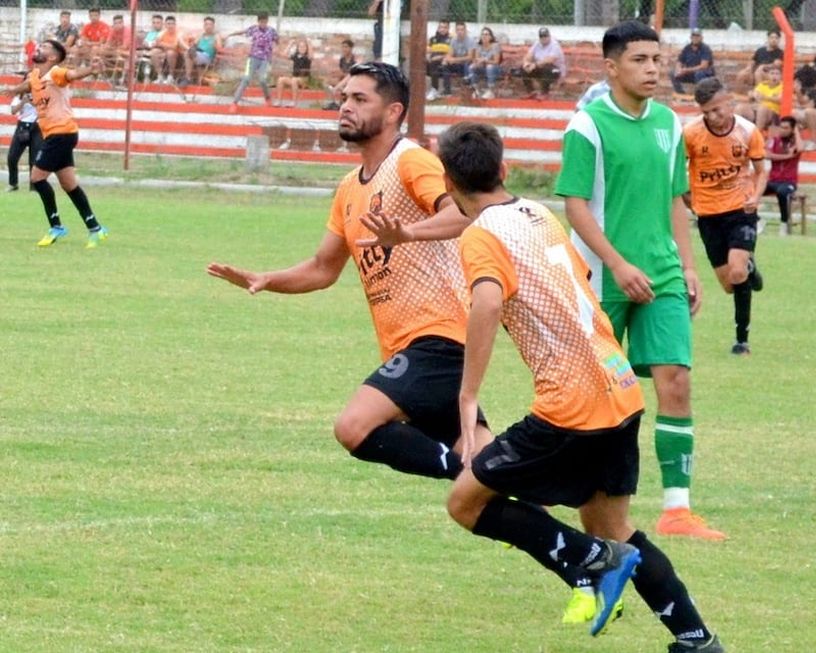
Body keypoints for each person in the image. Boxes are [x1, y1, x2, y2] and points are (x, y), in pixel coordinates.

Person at [207, 62, 594, 619]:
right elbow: (322, 267)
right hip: (413, 350)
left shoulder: (410, 160)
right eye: (343, 96)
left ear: (392, 113)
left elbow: (463, 214)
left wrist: (406, 231)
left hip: (439, 336)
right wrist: (268, 280)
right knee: (486, 493)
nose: (345, 104)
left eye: (359, 98)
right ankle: (586, 562)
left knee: (355, 426)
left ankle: (500, 482)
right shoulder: (348, 189)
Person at [440, 120, 726, 652]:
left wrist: (468, 394)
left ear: (448, 183)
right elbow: (582, 280)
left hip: (569, 405)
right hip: (617, 388)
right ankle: (697, 640)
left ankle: (591, 563)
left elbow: (486, 299)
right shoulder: (538, 214)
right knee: (614, 528)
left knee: (465, 502)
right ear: (504, 169)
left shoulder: (480, 234)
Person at [555, 21, 724, 541]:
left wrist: (689, 265)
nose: (653, 69)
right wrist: (619, 264)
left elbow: (677, 200)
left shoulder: (670, 124)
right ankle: (585, 496)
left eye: (657, 58)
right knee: (598, 395)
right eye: (640, 60)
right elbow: (575, 206)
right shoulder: (587, 125)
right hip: (602, 277)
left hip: (663, 273)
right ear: (611, 68)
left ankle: (677, 510)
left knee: (676, 381)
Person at [684, 77, 767, 356]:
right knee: (731, 285)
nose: (712, 117)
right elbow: (676, 173)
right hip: (708, 215)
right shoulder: (691, 134)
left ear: (730, 104)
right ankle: (750, 270)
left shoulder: (747, 131)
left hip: (740, 210)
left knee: (737, 270)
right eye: (706, 112)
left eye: (717, 110)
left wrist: (755, 196)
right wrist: (688, 200)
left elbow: (761, 170)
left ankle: (741, 341)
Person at [1, 40, 108, 248]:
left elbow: (73, 75)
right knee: (69, 184)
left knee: (36, 178)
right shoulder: (35, 75)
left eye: (44, 48)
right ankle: (95, 228)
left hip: (61, 133)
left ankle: (56, 226)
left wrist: (91, 70)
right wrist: (13, 90)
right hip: (58, 135)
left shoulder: (56, 73)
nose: (39, 48)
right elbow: (29, 84)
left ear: (52, 57)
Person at [228, 13, 279, 110]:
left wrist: (276, 48)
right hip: (253, 58)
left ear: (267, 21)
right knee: (246, 79)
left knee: (262, 80)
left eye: (265, 22)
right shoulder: (254, 29)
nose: (263, 24)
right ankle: (235, 103)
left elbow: (277, 40)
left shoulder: (271, 31)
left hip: (265, 59)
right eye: (261, 22)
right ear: (258, 22)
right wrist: (230, 34)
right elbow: (243, 32)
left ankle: (267, 98)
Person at [762, 115, 802, 236]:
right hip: (773, 180)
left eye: (786, 128)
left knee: (782, 192)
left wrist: (796, 131)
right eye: (781, 127)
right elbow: (766, 154)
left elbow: (800, 149)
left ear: (792, 129)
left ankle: (784, 223)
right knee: (749, 190)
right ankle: (757, 220)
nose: (782, 130)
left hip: (789, 182)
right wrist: (787, 156)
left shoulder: (795, 142)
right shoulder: (775, 140)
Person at [6, 75, 43, 192]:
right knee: (12, 157)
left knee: (34, 159)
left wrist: (33, 102)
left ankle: (34, 186)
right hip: (22, 126)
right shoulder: (20, 95)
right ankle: (13, 184)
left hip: (37, 127)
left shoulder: (41, 93)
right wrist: (23, 102)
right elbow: (13, 111)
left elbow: (45, 108)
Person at [521, 27, 564, 99]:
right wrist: (526, 63)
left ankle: (544, 93)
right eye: (542, 36)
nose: (544, 38)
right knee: (524, 68)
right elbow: (529, 55)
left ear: (549, 36)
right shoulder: (537, 43)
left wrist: (535, 65)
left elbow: (550, 60)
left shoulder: (554, 45)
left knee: (547, 68)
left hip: (555, 69)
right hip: (540, 67)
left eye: (545, 36)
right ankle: (531, 91)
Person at [739, 64, 782, 133]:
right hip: (757, 109)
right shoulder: (763, 85)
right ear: (768, 75)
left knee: (762, 108)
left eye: (777, 74)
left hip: (772, 113)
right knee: (740, 107)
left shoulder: (783, 86)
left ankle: (757, 135)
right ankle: (737, 134)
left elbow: (780, 99)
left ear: (781, 76)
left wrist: (764, 97)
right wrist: (751, 95)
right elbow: (754, 96)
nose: (774, 76)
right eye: (772, 73)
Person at [670, 28, 714, 94]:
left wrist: (686, 70)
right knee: (673, 73)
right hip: (690, 74)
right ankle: (681, 94)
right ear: (690, 37)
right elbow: (680, 61)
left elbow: (703, 66)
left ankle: (700, 95)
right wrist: (678, 69)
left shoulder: (705, 49)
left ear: (702, 38)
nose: (695, 38)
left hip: (705, 75)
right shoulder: (687, 48)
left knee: (699, 74)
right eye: (694, 36)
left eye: (697, 36)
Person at [183, 16, 223, 86]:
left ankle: (188, 78)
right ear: (204, 26)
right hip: (198, 54)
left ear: (213, 26)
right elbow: (194, 45)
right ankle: (189, 77)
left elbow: (220, 49)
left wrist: (215, 46)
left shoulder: (216, 36)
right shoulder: (200, 35)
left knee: (188, 53)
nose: (208, 26)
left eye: (210, 24)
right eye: (206, 24)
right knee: (189, 52)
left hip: (208, 57)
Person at [441, 21, 475, 97]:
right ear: (456, 31)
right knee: (445, 65)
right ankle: (447, 91)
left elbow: (470, 57)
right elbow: (450, 54)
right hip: (457, 64)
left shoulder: (470, 40)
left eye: (462, 29)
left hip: (466, 65)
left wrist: (455, 60)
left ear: (465, 30)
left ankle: (469, 91)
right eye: (458, 30)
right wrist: (446, 59)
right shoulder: (453, 40)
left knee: (467, 64)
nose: (460, 32)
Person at [274, 38, 312, 107]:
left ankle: (293, 102)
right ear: (298, 48)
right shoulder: (296, 56)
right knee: (281, 79)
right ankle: (279, 101)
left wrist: (309, 43)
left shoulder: (307, 57)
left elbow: (311, 55)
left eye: (304, 46)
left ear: (306, 48)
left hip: (304, 79)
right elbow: (284, 55)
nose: (302, 48)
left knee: (294, 80)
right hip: (295, 78)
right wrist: (290, 44)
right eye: (300, 46)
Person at [468, 26, 501, 99]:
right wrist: (477, 63)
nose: (484, 36)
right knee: (471, 67)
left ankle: (491, 91)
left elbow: (496, 61)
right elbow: (477, 59)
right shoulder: (478, 46)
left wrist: (485, 60)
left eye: (487, 34)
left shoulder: (495, 46)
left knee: (489, 67)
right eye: (483, 34)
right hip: (483, 67)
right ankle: (476, 90)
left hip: (495, 69)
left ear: (491, 37)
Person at [323, 39, 357, 110]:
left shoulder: (354, 60)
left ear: (351, 48)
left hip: (352, 80)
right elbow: (342, 71)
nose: (344, 49)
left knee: (341, 83)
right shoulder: (342, 59)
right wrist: (335, 73)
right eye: (343, 47)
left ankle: (340, 99)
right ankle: (332, 102)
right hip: (343, 80)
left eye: (346, 47)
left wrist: (342, 74)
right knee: (327, 81)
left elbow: (352, 74)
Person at [152, 16, 185, 85]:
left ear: (175, 25)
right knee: (154, 52)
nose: (170, 26)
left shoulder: (179, 33)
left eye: (172, 24)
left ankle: (171, 76)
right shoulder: (162, 33)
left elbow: (175, 46)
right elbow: (154, 44)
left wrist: (161, 44)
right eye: (168, 24)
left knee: (170, 53)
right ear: (165, 25)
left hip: (178, 55)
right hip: (165, 53)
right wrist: (163, 45)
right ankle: (160, 76)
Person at [425, 21, 451, 101]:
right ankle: (419, 90)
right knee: (421, 63)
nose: (442, 29)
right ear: (438, 28)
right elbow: (427, 50)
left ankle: (434, 89)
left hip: (446, 61)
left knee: (434, 63)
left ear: (448, 29)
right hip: (433, 61)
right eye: (441, 27)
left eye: (445, 27)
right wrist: (428, 56)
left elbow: (451, 53)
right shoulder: (433, 39)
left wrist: (440, 57)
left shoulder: (450, 40)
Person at [138, 14, 164, 82]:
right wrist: (149, 44)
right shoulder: (151, 33)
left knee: (149, 55)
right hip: (148, 51)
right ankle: (142, 77)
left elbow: (155, 44)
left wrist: (150, 44)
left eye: (158, 23)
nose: (155, 24)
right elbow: (145, 43)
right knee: (134, 54)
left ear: (162, 23)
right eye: (154, 23)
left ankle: (148, 77)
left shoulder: (163, 33)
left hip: (160, 51)